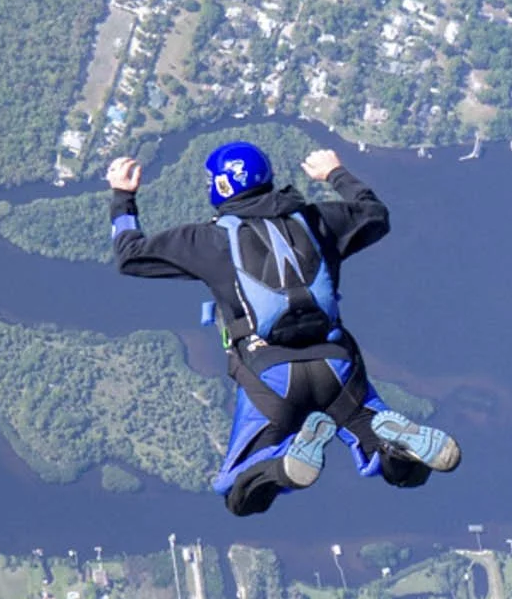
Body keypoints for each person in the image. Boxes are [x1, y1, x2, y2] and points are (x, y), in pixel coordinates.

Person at [106, 141, 461, 517]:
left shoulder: (208, 241)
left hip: (270, 376)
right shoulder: (317, 221)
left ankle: (285, 468)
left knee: (241, 496)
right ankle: (392, 446)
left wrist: (123, 197)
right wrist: (335, 174)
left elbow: (130, 255)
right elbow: (375, 215)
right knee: (405, 475)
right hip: (338, 366)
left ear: (219, 187)